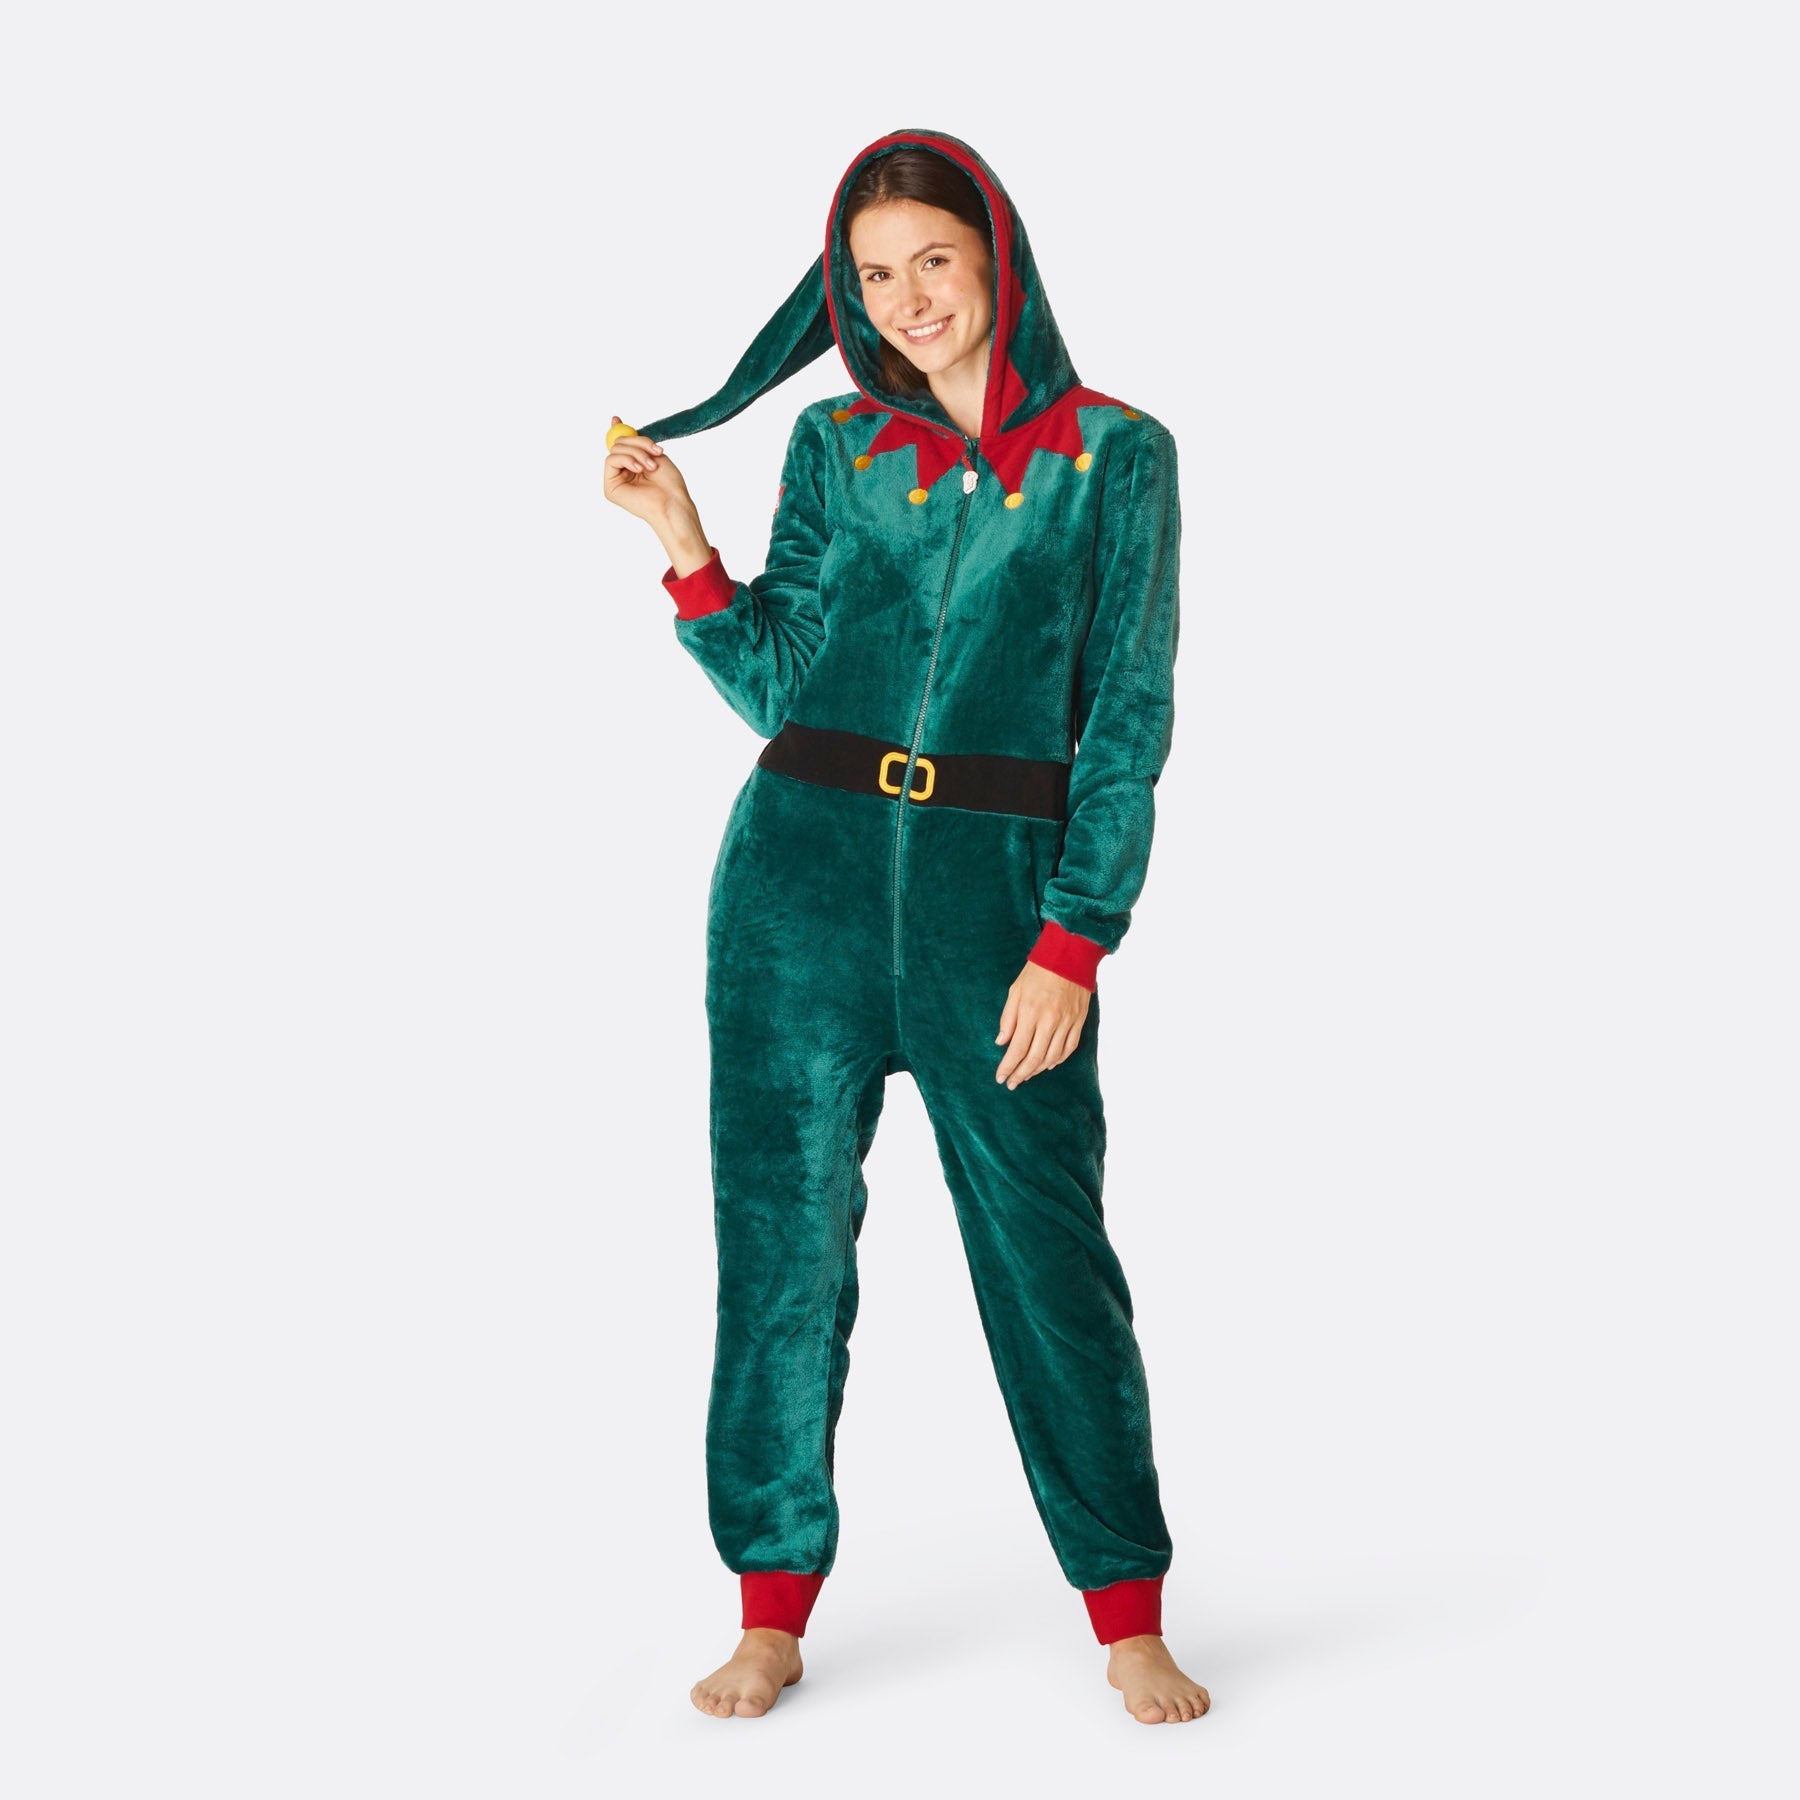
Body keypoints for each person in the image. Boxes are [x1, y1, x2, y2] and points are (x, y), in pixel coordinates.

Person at [604, 127, 1209, 1727]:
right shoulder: (834, 443)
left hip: (994, 905)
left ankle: (1126, 1610)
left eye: (933, 259)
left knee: (1048, 1253)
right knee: (782, 1252)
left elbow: (1126, 717)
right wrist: (684, 548)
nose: (909, 298)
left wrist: (1074, 940)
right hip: (792, 888)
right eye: (874, 276)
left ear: (996, 254)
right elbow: (782, 686)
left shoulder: (1118, 456)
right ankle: (771, 1604)